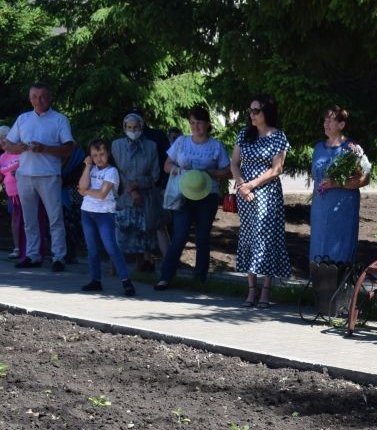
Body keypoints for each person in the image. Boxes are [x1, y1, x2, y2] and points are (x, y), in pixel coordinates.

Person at [1, 82, 75, 271]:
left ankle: (59, 256)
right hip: (25, 175)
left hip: (49, 175)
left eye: (42, 96)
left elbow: (68, 149)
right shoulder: (23, 118)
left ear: (49, 98)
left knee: (54, 218)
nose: (38, 100)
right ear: (29, 98)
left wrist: (44, 148)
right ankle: (33, 255)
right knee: (29, 218)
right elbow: (8, 144)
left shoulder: (59, 120)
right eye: (34, 96)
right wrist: (22, 147)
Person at [155, 106, 231, 290]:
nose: (196, 126)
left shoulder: (216, 146)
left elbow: (228, 171)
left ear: (207, 124)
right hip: (183, 194)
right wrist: (179, 170)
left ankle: (200, 279)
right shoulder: (182, 142)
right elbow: (166, 165)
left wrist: (208, 172)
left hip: (207, 195)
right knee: (179, 236)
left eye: (200, 122)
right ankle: (166, 276)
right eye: (193, 123)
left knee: (202, 237)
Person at [230, 94, 292, 308]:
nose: (252, 115)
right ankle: (250, 291)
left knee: (266, 238)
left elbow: (277, 169)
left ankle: (266, 291)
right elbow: (235, 163)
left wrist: (251, 185)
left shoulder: (278, 137)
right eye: (250, 110)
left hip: (267, 194)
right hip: (246, 194)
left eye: (256, 111)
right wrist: (241, 185)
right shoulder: (244, 134)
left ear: (267, 112)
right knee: (248, 236)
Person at [309, 105, 372, 267]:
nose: (325, 124)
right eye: (325, 120)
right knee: (319, 245)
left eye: (330, 121)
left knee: (339, 249)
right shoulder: (318, 148)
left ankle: (339, 287)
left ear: (341, 125)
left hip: (342, 209)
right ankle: (320, 286)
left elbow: (365, 179)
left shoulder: (352, 149)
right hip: (320, 209)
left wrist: (336, 183)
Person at [77, 139, 135, 296]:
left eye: (102, 154)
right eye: (94, 155)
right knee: (92, 248)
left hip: (104, 213)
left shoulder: (112, 172)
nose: (98, 158)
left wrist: (86, 192)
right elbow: (82, 185)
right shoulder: (91, 168)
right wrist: (87, 166)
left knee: (111, 247)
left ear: (108, 153)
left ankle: (126, 281)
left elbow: (102, 194)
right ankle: (95, 280)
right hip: (87, 211)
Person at [112, 112, 161, 272]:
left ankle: (145, 265)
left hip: (145, 196)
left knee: (144, 232)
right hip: (124, 196)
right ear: (124, 128)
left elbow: (155, 175)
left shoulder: (151, 146)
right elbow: (117, 172)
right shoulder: (117, 145)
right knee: (122, 232)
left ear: (141, 127)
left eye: (136, 127)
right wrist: (131, 190)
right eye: (129, 127)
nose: (133, 130)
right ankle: (117, 268)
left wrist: (138, 185)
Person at [0, 125, 23, 259]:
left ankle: (29, 248)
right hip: (11, 194)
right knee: (15, 219)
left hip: (25, 192)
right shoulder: (2, 157)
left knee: (27, 220)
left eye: (3, 139)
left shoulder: (20, 152)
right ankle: (17, 247)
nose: (1, 142)